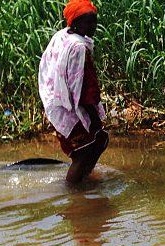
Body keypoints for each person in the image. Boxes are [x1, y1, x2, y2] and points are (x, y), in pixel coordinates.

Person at [38, 0, 108, 186]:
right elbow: (83, 87)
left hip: (57, 101)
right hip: (68, 105)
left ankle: (83, 179)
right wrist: (94, 120)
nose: (93, 26)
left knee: (96, 143)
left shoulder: (63, 35)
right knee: (86, 149)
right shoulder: (78, 47)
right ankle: (73, 194)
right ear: (75, 22)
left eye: (94, 21)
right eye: (88, 22)